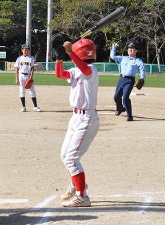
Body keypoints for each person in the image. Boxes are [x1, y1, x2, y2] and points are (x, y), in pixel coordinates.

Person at [55, 39, 100, 207]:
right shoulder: (75, 70)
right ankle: (77, 185)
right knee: (65, 155)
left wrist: (70, 53)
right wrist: (60, 58)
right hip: (75, 118)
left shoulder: (91, 70)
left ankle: (82, 197)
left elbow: (85, 69)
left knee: (72, 159)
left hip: (87, 119)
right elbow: (60, 74)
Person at [110, 40, 146, 121]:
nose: (130, 50)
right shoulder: (123, 58)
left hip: (130, 80)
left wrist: (142, 78)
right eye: (129, 48)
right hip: (121, 79)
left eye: (133, 49)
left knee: (125, 97)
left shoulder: (138, 60)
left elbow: (142, 69)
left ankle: (129, 115)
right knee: (116, 97)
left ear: (136, 51)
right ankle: (120, 108)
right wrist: (114, 47)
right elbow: (113, 56)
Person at [14, 43, 41, 112]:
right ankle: (23, 107)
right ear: (22, 50)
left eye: (27, 50)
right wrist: (16, 79)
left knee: (32, 91)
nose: (26, 51)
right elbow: (17, 70)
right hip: (21, 76)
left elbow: (32, 68)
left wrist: (31, 77)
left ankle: (35, 107)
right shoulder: (19, 59)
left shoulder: (31, 58)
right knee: (22, 91)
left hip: (28, 76)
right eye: (25, 49)